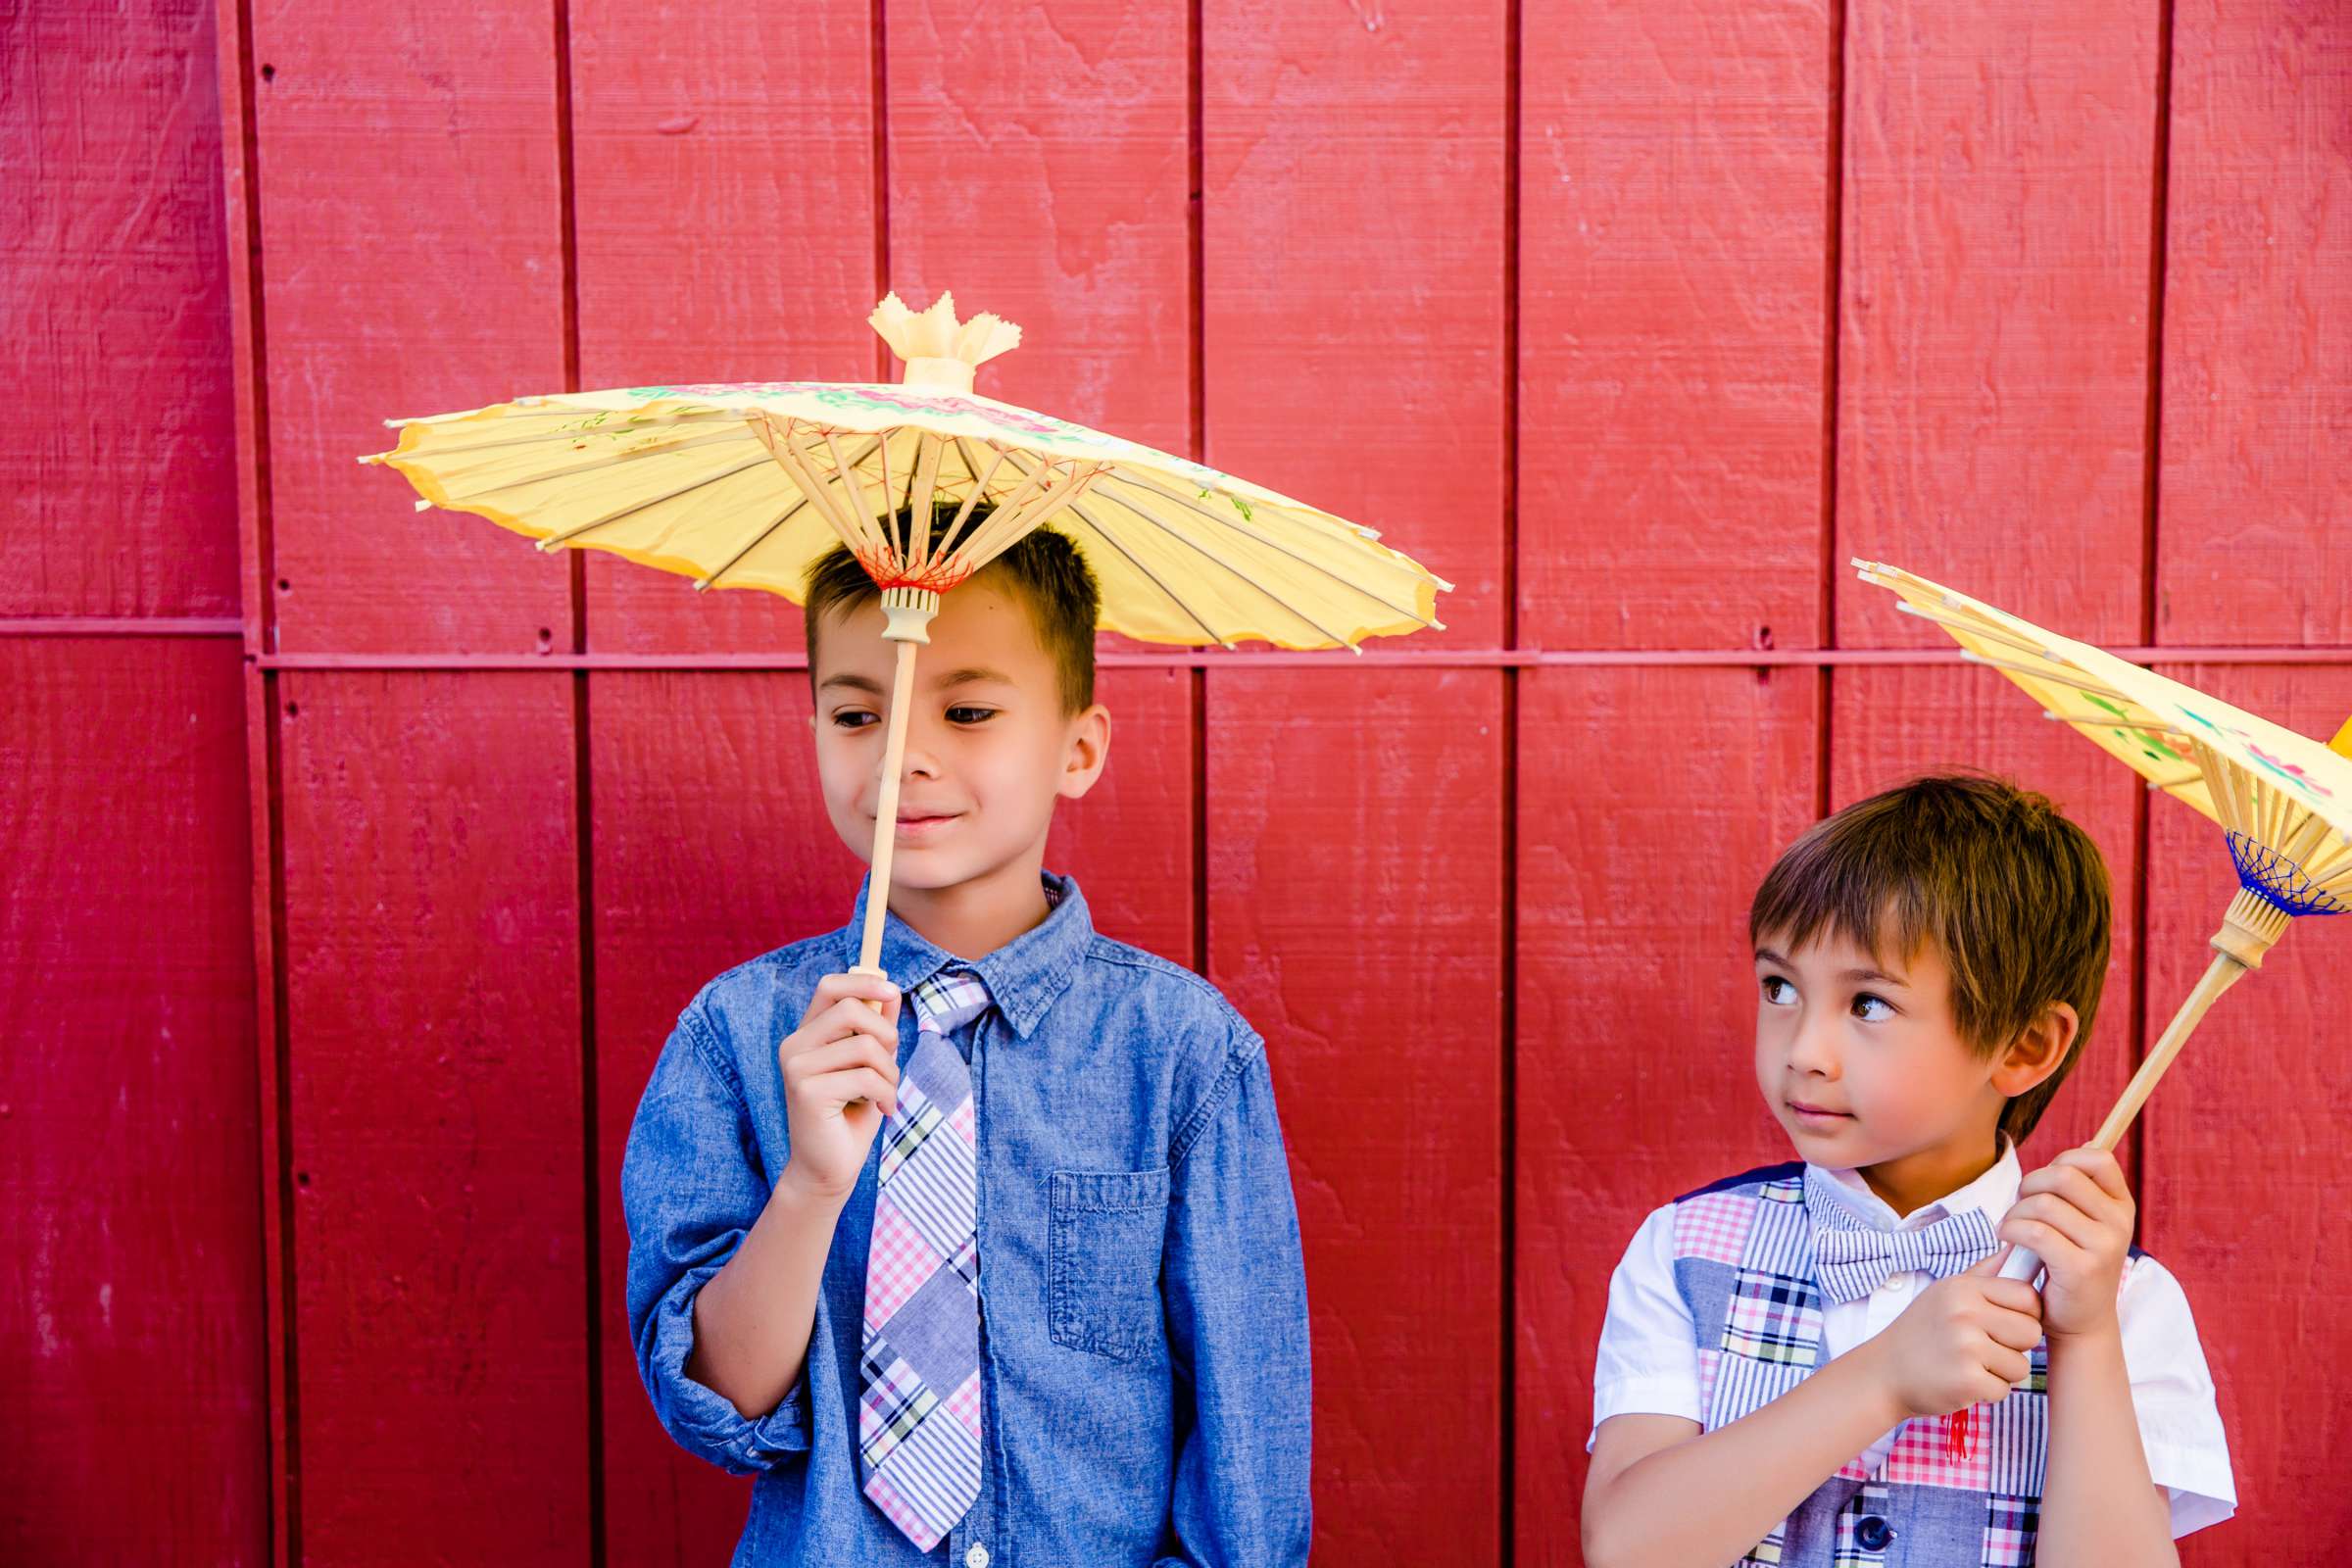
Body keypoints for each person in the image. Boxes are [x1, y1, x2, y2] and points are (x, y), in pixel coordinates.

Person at [622, 513, 1311, 1567]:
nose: (906, 757)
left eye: (971, 709)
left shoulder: (1184, 1056)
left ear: (1078, 749)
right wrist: (810, 1186)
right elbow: (716, 1407)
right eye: (858, 716)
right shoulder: (740, 1035)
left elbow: (1247, 1452)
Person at [1582, 774, 2233, 1566]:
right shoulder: (1687, 1249)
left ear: (2025, 1047)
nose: (1803, 1053)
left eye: (1869, 1006)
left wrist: (2083, 1338)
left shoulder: (2122, 1304)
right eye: (1780, 988)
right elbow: (1627, 1550)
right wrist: (1884, 1377)